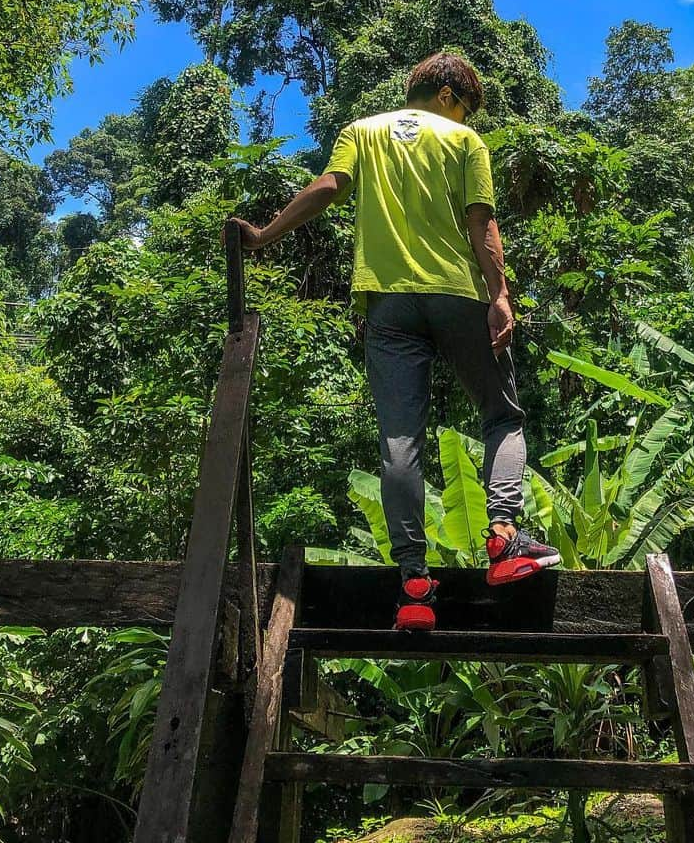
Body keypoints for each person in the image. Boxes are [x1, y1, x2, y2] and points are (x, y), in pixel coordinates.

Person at [226, 52, 559, 631]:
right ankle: (505, 538)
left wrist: (261, 236)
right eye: (469, 107)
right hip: (457, 293)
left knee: (400, 440)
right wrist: (500, 293)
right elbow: (483, 225)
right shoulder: (462, 140)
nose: (469, 117)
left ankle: (412, 585)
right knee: (502, 416)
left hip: (386, 305)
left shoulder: (362, 132)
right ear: (451, 94)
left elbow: (328, 187)